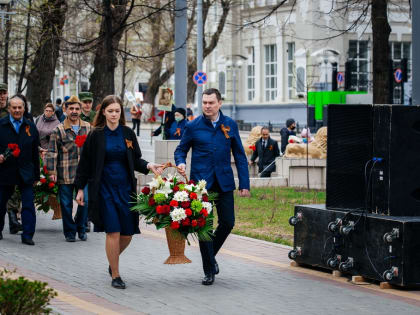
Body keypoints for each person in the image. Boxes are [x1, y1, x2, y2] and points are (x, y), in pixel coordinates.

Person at [74, 95, 163, 289]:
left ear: (121, 112)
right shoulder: (96, 135)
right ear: (103, 112)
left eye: (117, 111)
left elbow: (136, 159)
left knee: (128, 233)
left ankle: (112, 259)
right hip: (104, 189)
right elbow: (85, 164)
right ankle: (116, 274)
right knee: (113, 230)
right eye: (110, 111)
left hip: (126, 189)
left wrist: (149, 165)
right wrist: (80, 188)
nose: (114, 114)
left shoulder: (128, 133)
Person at [175, 88, 250, 285]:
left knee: (228, 222)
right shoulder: (193, 126)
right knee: (204, 228)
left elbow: (240, 156)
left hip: (224, 183)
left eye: (211, 102)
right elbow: (180, 150)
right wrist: (181, 162)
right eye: (204, 102)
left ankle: (210, 257)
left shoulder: (230, 125)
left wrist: (244, 183)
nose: (207, 106)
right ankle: (209, 270)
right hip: (201, 186)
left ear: (219, 103)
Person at [46, 96, 91, 242]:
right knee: (66, 204)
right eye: (71, 108)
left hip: (84, 174)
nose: (74, 111)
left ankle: (81, 227)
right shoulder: (58, 130)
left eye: (77, 109)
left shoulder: (88, 127)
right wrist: (51, 172)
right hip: (65, 172)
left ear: (81, 110)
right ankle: (70, 232)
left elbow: (93, 150)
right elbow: (52, 152)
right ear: (65, 110)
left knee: (85, 201)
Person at [0, 95, 40, 245]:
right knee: (1, 202)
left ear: (24, 108)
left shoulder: (30, 126)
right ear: (9, 108)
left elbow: (35, 153)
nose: (17, 110)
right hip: (5, 171)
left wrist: (36, 174)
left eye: (20, 107)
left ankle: (28, 234)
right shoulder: (1, 125)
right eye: (14, 107)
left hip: (26, 172)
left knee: (28, 204)